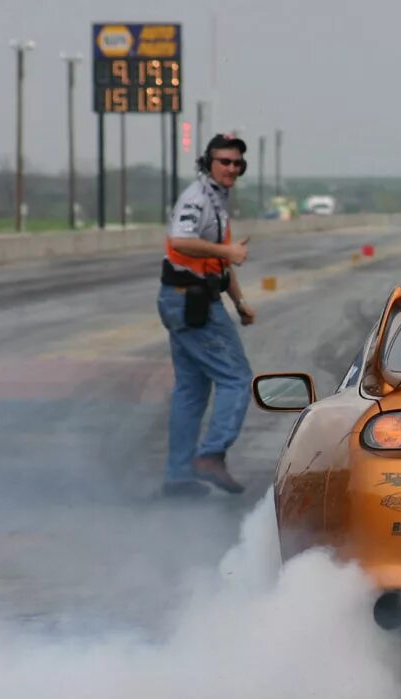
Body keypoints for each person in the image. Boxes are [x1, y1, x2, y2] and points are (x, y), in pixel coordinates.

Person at [157, 132, 257, 497]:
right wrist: (226, 251)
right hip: (188, 299)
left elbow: (218, 262)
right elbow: (180, 240)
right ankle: (211, 455)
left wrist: (240, 303)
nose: (231, 168)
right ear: (208, 163)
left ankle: (178, 476)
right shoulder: (197, 198)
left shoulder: (217, 200)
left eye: (236, 163)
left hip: (192, 296)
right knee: (237, 378)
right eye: (224, 161)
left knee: (191, 391)